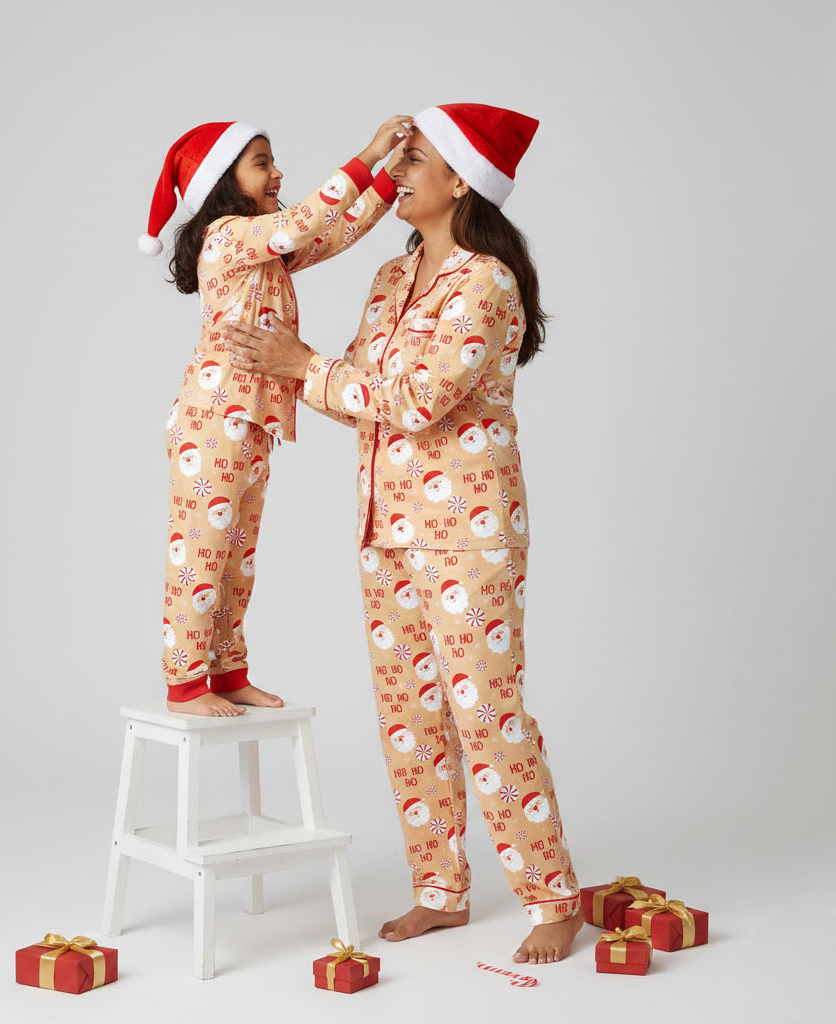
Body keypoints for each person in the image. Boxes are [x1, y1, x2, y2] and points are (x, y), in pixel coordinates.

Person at [224, 103, 583, 963]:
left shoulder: (487, 283)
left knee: (486, 712)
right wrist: (291, 371)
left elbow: (418, 400)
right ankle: (440, 889)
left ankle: (552, 894)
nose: (398, 170)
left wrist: (303, 366)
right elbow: (361, 398)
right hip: (385, 528)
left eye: (414, 159)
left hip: (470, 534)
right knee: (407, 715)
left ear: (461, 180)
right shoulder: (390, 277)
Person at [139, 116, 409, 716]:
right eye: (262, 162)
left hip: (252, 422)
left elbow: (333, 233)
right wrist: (367, 154)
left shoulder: (267, 255)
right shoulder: (228, 237)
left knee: (236, 558)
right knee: (201, 552)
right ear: (223, 182)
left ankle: (228, 672)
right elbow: (304, 220)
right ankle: (185, 683)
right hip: (212, 421)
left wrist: (389, 180)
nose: (278, 171)